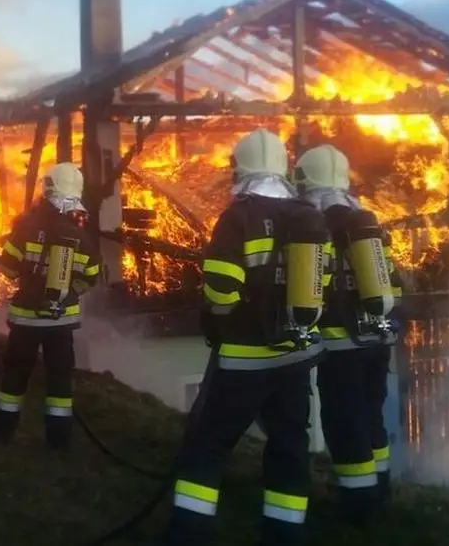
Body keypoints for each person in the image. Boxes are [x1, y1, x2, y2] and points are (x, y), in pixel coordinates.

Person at [163, 128, 329, 546]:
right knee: (290, 448)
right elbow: (319, 280)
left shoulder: (240, 216)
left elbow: (221, 283)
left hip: (241, 360)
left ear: (241, 169)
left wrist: (220, 321)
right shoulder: (309, 216)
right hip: (293, 359)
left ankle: (189, 534)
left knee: (209, 445)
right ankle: (285, 535)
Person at [293, 143, 403, 525]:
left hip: (340, 345)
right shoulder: (368, 223)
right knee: (372, 415)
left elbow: (308, 285)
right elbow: (394, 283)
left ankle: (358, 508)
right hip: (378, 339)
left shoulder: (314, 224)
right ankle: (381, 489)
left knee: (344, 421)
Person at [0, 162, 103, 450]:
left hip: (26, 319)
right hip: (61, 323)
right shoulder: (80, 237)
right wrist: (69, 293)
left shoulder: (25, 227)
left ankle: (2, 433)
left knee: (15, 375)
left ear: (46, 189)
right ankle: (58, 440)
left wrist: (2, 263)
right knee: (60, 379)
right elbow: (91, 275)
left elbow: (11, 270)